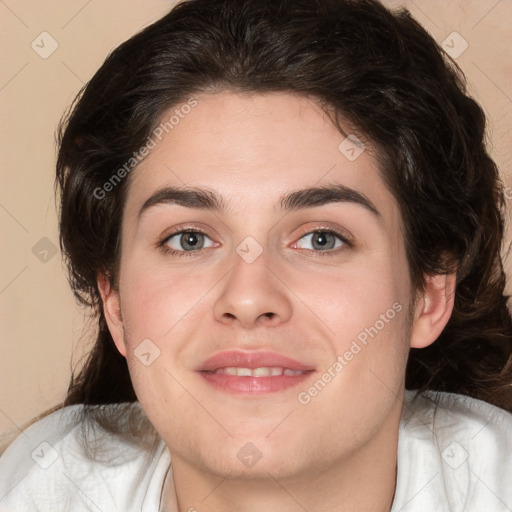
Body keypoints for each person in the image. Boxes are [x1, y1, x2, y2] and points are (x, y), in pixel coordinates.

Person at [1, 0, 511, 510]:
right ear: (114, 303)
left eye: (321, 239)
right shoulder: (40, 486)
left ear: (430, 292)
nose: (248, 299)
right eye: (190, 239)